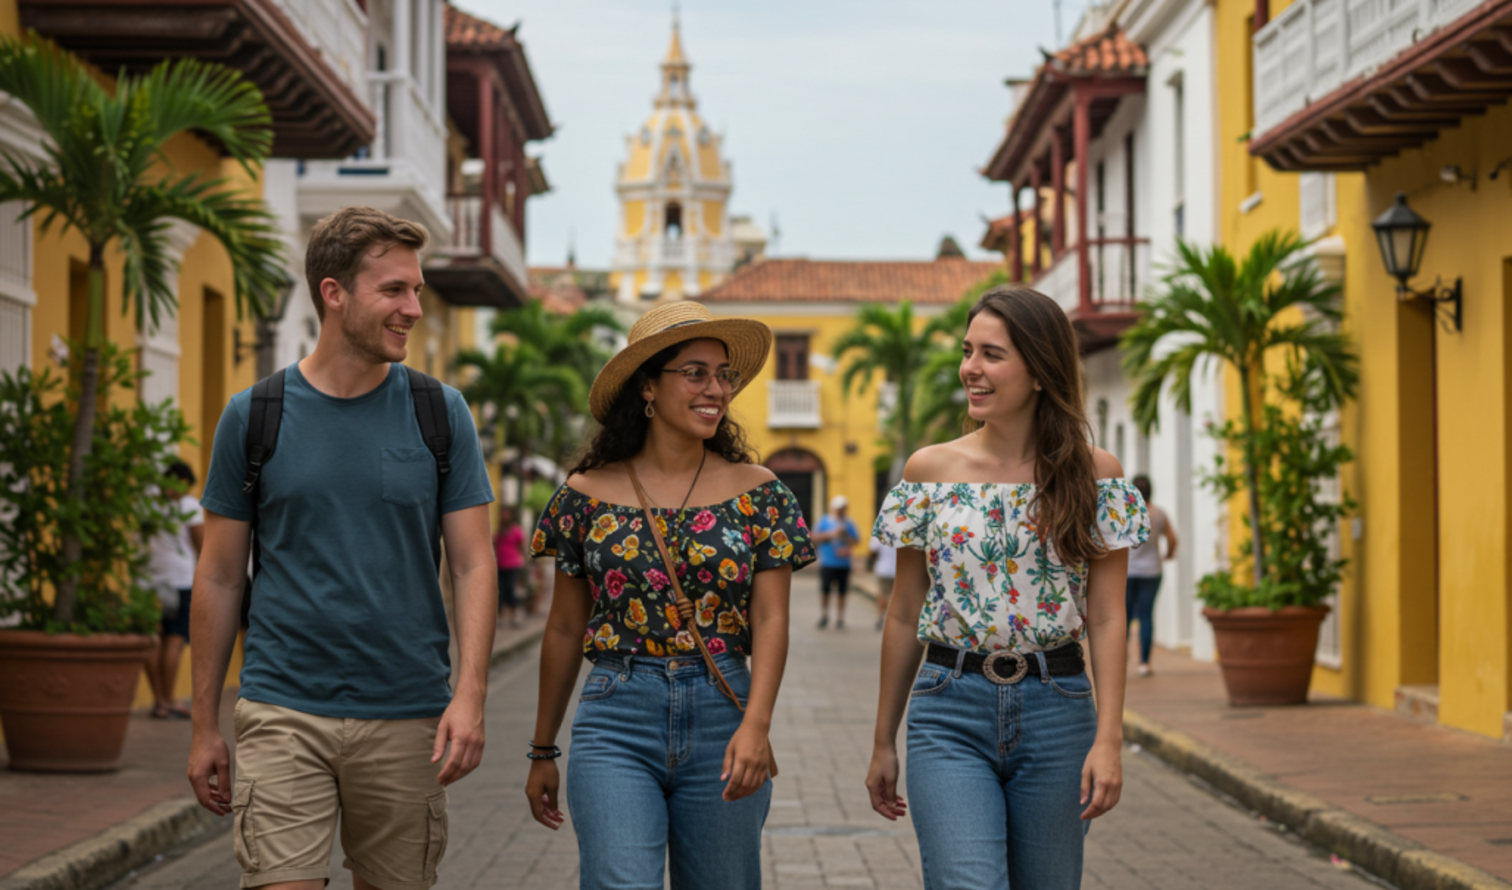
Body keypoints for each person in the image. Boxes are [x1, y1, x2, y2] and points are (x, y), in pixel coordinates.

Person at [187, 206, 497, 890]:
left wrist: (470, 694)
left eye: (416, 289)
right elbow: (217, 578)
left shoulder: (440, 413)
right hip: (282, 707)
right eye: (394, 290)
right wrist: (203, 722)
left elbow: (475, 563)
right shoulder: (254, 416)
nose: (413, 308)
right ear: (334, 293)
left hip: (408, 711)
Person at [865, 286, 1149, 890]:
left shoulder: (1097, 475)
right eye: (968, 352)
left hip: (1059, 709)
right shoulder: (929, 472)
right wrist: (882, 740)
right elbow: (904, 612)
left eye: (992, 354)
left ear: (1041, 370)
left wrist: (1110, 739)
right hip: (948, 707)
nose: (971, 368)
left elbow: (1106, 617)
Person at [526, 302, 815, 890]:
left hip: (723, 711)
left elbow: (772, 617)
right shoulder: (585, 494)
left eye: (723, 374)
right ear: (649, 387)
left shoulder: (761, 493)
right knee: (618, 880)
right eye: (696, 372)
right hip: (616, 712)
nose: (716, 389)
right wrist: (541, 749)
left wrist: (756, 724)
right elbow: (562, 628)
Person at [144, 460, 204, 719]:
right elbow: (201, 544)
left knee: (153, 639)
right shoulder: (189, 505)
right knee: (175, 639)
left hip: (146, 580)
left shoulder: (146, 504)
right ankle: (169, 699)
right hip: (180, 578)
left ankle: (158, 701)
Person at [1126, 474, 1177, 677]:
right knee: (1146, 615)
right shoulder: (1159, 514)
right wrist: (1168, 555)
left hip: (1127, 572)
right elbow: (1172, 540)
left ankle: (1121, 659)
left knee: (1124, 616)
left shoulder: (1126, 515)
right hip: (1152, 571)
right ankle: (1144, 662)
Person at [813, 495, 858, 629]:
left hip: (843, 563)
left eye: (843, 508)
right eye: (839, 508)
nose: (841, 511)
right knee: (825, 590)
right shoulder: (824, 521)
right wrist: (831, 534)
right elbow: (814, 537)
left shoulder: (849, 523)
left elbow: (855, 541)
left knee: (842, 592)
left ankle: (840, 617)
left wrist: (844, 534)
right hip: (827, 562)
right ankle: (824, 615)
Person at [494, 506, 525, 627]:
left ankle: (515, 613)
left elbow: (521, 546)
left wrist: (524, 561)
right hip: (500, 565)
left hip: (512, 564)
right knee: (500, 591)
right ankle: (501, 615)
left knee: (509, 589)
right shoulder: (499, 531)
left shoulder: (516, 531)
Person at [867, 535, 897, 632]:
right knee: (893, 595)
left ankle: (880, 617)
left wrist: (869, 563)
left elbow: (873, 549)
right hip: (897, 569)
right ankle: (891, 618)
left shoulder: (880, 532)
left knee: (882, 594)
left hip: (883, 569)